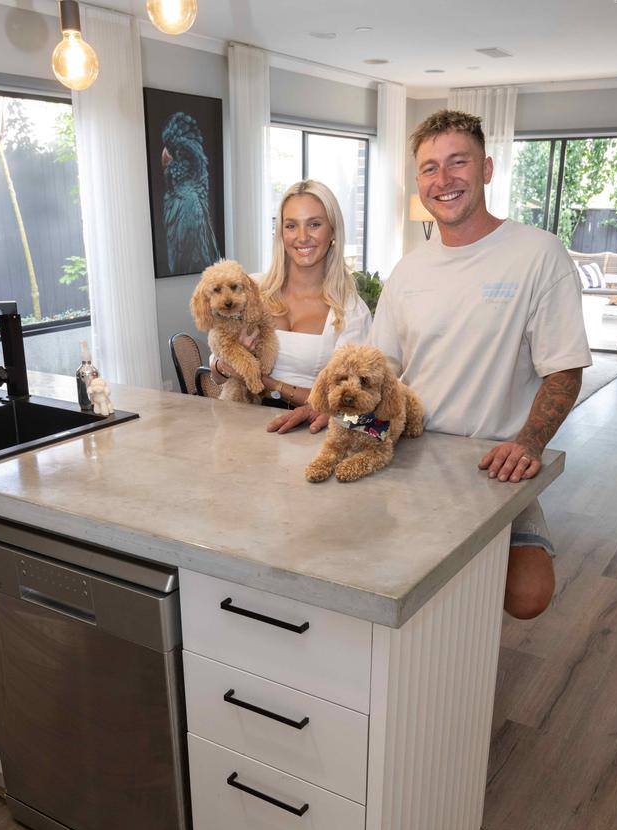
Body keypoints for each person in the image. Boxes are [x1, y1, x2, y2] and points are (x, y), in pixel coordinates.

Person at [369, 108, 592, 620]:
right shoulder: (408, 271)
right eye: (429, 168)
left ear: (486, 169)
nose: (443, 180)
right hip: (414, 453)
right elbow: (380, 370)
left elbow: (564, 369)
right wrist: (339, 415)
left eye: (457, 162)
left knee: (528, 595)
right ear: (418, 180)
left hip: (493, 466)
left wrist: (530, 441)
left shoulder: (539, 254)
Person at [211, 179, 371, 432]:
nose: (302, 237)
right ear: (281, 233)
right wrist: (224, 364)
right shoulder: (251, 288)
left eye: (315, 224)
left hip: (306, 431)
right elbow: (217, 370)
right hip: (239, 425)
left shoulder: (351, 312)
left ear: (332, 233)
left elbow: (353, 403)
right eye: (291, 226)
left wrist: (269, 383)